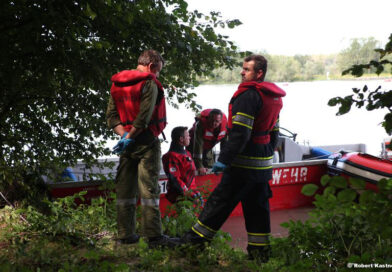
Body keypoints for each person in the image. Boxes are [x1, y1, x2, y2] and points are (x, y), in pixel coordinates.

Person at [182, 55, 286, 262]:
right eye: (242, 68)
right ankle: (260, 254)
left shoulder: (247, 96)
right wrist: (265, 151)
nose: (242, 72)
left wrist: (225, 160)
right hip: (263, 163)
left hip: (243, 163)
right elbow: (275, 132)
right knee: (257, 208)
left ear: (259, 73)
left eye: (246, 69)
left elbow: (240, 133)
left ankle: (193, 242)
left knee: (219, 202)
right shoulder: (274, 97)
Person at [106, 49, 179, 247]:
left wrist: (124, 137)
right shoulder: (149, 83)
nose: (157, 75)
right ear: (151, 66)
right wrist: (129, 137)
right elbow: (144, 118)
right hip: (146, 142)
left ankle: (125, 235)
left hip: (126, 144)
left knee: (125, 189)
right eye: (158, 71)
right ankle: (154, 236)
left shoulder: (117, 83)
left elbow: (111, 117)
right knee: (148, 189)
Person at [162, 127, 203, 206]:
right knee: (187, 216)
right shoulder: (171, 156)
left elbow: (190, 176)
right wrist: (188, 194)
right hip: (179, 196)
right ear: (181, 139)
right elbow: (175, 179)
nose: (190, 137)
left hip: (191, 194)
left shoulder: (187, 154)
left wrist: (195, 192)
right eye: (188, 136)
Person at [187, 109, 228, 175]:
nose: (213, 123)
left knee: (210, 167)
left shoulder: (225, 126)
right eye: (211, 120)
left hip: (208, 147)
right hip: (192, 146)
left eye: (216, 121)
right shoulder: (201, 124)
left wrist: (223, 162)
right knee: (194, 168)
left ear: (220, 121)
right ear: (208, 118)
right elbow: (198, 145)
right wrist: (199, 166)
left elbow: (225, 146)